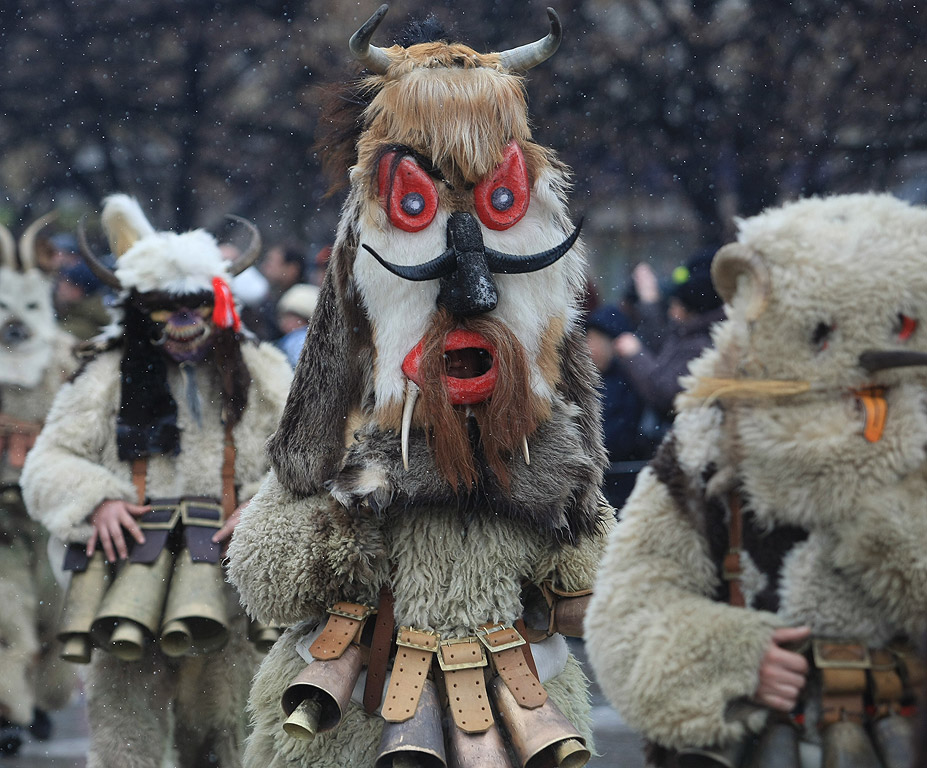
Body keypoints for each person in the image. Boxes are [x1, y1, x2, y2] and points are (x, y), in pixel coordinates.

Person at [226, 8, 612, 768]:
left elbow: (596, 586)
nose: (468, 301)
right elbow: (267, 579)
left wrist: (568, 483)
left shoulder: (549, 468)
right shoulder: (345, 456)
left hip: (522, 706)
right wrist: (345, 502)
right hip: (355, 702)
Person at [585, 194, 927, 768]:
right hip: (748, 741)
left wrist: (883, 510)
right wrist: (733, 657)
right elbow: (626, 615)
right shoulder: (707, 444)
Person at [21, 194, 293, 768]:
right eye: (166, 308)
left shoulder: (264, 368)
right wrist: (96, 502)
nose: (184, 323)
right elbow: (47, 465)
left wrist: (266, 506)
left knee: (225, 732)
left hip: (228, 577)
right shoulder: (105, 372)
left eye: (195, 305)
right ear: (140, 308)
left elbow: (310, 462)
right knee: (124, 736)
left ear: (217, 303)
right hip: (126, 577)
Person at [0, 214, 78, 756]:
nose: (14, 322)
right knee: (7, 616)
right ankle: (10, 708)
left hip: (51, 511)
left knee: (55, 615)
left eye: (26, 308)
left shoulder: (66, 358)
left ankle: (43, 699)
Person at [613, 248, 725, 426]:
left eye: (676, 304)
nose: (671, 312)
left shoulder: (702, 342)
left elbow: (665, 393)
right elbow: (666, 347)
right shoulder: (694, 331)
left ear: (692, 307)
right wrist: (649, 300)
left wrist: (635, 355)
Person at [274, 283, 319, 367]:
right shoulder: (284, 340)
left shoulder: (299, 341)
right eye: (284, 316)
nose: (285, 322)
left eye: (292, 317)